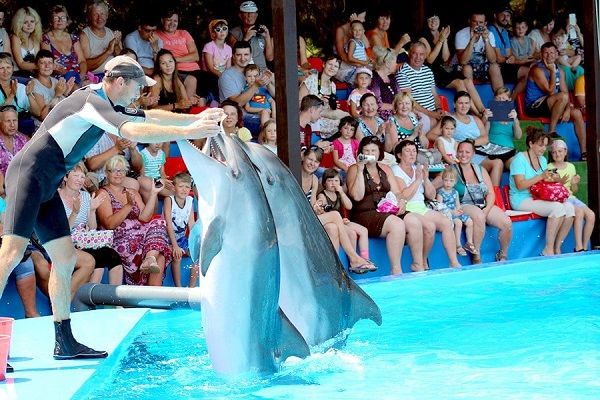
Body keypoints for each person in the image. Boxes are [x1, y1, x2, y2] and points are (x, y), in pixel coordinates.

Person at [0, 55, 222, 360]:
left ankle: (64, 341)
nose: (139, 94)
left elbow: (150, 116)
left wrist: (197, 120)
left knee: (65, 259)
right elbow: (133, 131)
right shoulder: (90, 101)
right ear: (119, 82)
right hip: (28, 175)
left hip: (48, 183)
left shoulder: (109, 103)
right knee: (11, 254)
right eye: (137, 87)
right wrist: (188, 132)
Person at [96, 155, 172, 286]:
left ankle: (149, 259)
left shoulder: (132, 192)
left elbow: (144, 217)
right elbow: (109, 224)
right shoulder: (103, 193)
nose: (118, 174)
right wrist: (128, 206)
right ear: (107, 173)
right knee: (159, 254)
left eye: (122, 170)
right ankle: (152, 285)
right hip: (120, 239)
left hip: (141, 234)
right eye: (114, 170)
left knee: (158, 224)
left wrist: (153, 193)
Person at [301, 145, 376, 273]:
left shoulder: (314, 179)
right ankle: (354, 258)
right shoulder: (295, 174)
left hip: (309, 218)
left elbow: (313, 206)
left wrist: (318, 208)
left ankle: (333, 269)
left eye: (316, 161)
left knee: (333, 228)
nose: (312, 164)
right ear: (303, 157)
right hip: (298, 219)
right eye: (310, 159)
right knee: (335, 215)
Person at [347, 136, 412, 274]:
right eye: (366, 151)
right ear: (361, 152)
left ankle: (419, 265)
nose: (370, 154)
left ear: (379, 152)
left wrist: (402, 202)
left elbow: (397, 193)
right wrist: (360, 170)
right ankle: (396, 270)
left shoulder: (385, 168)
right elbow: (357, 196)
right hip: (364, 214)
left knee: (415, 221)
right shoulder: (354, 169)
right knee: (397, 224)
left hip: (385, 210)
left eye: (373, 151)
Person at [392, 140, 461, 269]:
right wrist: (418, 180)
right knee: (430, 227)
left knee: (446, 222)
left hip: (421, 207)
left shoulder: (416, 169)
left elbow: (431, 195)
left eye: (414, 151)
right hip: (407, 208)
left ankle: (453, 262)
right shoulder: (396, 170)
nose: (412, 154)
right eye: (408, 151)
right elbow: (404, 196)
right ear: (399, 155)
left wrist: (425, 178)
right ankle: (421, 262)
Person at [509, 127, 574, 256]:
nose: (544, 148)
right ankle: (548, 250)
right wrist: (541, 176)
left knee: (569, 208)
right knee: (558, 208)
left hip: (538, 195)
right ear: (531, 144)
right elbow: (520, 186)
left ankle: (557, 247)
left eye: (545, 145)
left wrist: (553, 178)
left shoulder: (543, 160)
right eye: (540, 145)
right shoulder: (519, 160)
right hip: (521, 198)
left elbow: (544, 181)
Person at [58, 163, 123, 286]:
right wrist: (74, 213)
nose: (79, 180)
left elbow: (92, 228)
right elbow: (61, 231)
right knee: (98, 260)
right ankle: (88, 296)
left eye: (82, 177)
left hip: (83, 240)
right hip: (64, 242)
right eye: (76, 175)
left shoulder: (85, 196)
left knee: (114, 257)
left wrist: (92, 210)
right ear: (65, 177)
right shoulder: (55, 198)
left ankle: (114, 297)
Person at [454, 139, 513, 262]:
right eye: (461, 151)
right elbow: (435, 187)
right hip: (464, 204)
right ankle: (476, 256)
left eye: (467, 152)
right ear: (456, 153)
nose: (463, 154)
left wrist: (487, 208)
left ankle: (503, 254)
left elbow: (490, 193)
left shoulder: (480, 169)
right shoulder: (452, 170)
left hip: (482, 203)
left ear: (473, 154)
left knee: (506, 223)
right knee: (479, 216)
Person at [525, 42, 586, 159]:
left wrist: (567, 109)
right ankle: (552, 131)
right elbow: (550, 91)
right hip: (534, 106)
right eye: (546, 53)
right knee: (562, 96)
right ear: (541, 54)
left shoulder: (560, 70)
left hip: (553, 104)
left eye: (552, 52)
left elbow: (565, 91)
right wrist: (552, 72)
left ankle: (584, 152)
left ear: (557, 54)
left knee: (577, 113)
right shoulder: (536, 69)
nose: (549, 55)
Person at [429, 91, 504, 186]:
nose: (464, 106)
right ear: (454, 104)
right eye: (460, 103)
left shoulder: (475, 119)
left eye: (466, 103)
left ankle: (494, 193)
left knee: (498, 163)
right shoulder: (449, 119)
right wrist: (450, 140)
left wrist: (469, 142)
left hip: (478, 153)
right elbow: (430, 135)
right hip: (461, 155)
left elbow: (485, 138)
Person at [419, 12, 485, 115]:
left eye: (436, 19)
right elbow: (430, 60)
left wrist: (444, 39)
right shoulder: (423, 37)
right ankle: (477, 114)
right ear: (426, 22)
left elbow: (445, 58)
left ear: (439, 21)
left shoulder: (441, 34)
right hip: (431, 71)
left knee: (467, 81)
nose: (433, 22)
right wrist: (441, 41)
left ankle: (483, 110)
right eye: (430, 19)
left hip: (443, 68)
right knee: (459, 83)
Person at [548, 139, 595, 252]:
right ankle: (578, 246)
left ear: (565, 152)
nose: (557, 154)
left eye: (560, 151)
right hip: (560, 198)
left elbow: (574, 190)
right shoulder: (550, 167)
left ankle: (585, 247)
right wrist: (560, 182)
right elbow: (552, 188)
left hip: (571, 197)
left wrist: (574, 184)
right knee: (579, 212)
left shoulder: (571, 166)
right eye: (554, 152)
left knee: (591, 215)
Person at [156, 9, 212, 103]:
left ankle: (203, 102)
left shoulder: (184, 33)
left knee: (210, 79)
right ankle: (188, 106)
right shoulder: (156, 35)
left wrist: (174, 59)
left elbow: (195, 56)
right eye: (169, 20)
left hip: (195, 70)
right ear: (162, 20)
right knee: (195, 92)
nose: (172, 23)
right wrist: (175, 61)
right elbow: (158, 57)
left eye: (175, 21)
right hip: (176, 70)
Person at [317, 168, 370, 264]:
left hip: (341, 221)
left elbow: (349, 206)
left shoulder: (338, 194)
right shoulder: (322, 195)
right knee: (352, 233)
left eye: (336, 181)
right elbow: (324, 212)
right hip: (333, 222)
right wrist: (340, 220)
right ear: (324, 183)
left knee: (364, 230)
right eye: (330, 181)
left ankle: (365, 258)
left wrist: (341, 192)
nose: (333, 183)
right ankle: (353, 260)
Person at [219, 40, 274, 132]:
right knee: (272, 126)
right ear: (233, 56)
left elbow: (273, 95)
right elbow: (238, 103)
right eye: (239, 55)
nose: (243, 58)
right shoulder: (227, 76)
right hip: (240, 116)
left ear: (251, 55)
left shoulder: (256, 71)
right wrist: (256, 85)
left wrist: (269, 82)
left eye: (246, 54)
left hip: (265, 112)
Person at [396, 42, 445, 134]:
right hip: (417, 111)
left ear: (425, 55)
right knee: (433, 122)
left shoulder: (428, 71)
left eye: (421, 54)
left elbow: (435, 95)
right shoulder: (403, 72)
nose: (418, 57)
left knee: (450, 121)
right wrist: (430, 113)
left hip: (433, 111)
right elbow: (409, 100)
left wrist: (438, 109)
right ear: (409, 54)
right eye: (415, 53)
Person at [298, 55, 350, 138]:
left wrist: (333, 105)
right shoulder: (311, 79)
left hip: (323, 115)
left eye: (336, 66)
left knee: (347, 119)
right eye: (330, 64)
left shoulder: (333, 86)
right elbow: (299, 103)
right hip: (310, 116)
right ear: (323, 64)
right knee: (342, 125)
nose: (332, 68)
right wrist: (318, 101)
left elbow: (327, 109)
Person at [455, 10, 504, 92]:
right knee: (467, 68)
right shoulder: (461, 34)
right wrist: (472, 40)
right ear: (469, 21)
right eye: (475, 22)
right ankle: (470, 99)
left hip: (483, 67)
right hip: (465, 68)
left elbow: (492, 60)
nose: (478, 25)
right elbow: (463, 61)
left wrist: (486, 40)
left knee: (495, 67)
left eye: (481, 22)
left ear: (485, 23)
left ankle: (501, 98)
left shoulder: (490, 34)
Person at [163, 172, 197, 287]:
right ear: (174, 187)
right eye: (181, 186)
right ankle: (179, 288)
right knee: (177, 256)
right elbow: (168, 224)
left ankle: (191, 288)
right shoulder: (169, 200)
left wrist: (195, 244)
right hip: (166, 239)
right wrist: (175, 246)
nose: (184, 189)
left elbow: (191, 224)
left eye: (187, 187)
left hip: (181, 239)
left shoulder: (190, 201)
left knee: (197, 257)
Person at [41, 5, 88, 86]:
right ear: (51, 22)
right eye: (56, 18)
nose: (60, 20)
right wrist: (69, 76)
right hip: (59, 77)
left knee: (91, 86)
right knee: (74, 86)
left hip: (78, 76)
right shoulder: (46, 39)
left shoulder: (74, 38)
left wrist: (81, 76)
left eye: (63, 18)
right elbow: (48, 63)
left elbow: (82, 61)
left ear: (67, 22)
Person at [436, 167, 476, 257]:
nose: (448, 183)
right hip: (447, 213)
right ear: (442, 180)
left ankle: (469, 243)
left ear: (455, 182)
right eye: (446, 180)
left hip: (455, 212)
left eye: (451, 181)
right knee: (458, 222)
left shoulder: (455, 192)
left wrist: (459, 210)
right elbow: (440, 207)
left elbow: (458, 204)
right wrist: (452, 212)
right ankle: (458, 245)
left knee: (469, 221)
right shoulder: (440, 193)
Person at [31, 49, 76, 123]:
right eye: (42, 63)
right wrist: (57, 95)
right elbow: (43, 117)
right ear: (36, 66)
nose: (47, 66)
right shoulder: (34, 85)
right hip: (47, 124)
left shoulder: (55, 81)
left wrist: (65, 93)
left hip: (62, 119)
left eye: (50, 63)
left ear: (53, 65)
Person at [79, 0, 122, 76]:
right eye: (95, 14)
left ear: (107, 16)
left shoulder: (112, 33)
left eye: (102, 14)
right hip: (96, 77)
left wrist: (116, 46)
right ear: (90, 17)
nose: (99, 18)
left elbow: (123, 60)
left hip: (115, 74)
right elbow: (86, 66)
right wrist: (108, 51)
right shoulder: (84, 35)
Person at [384, 92, 431, 161]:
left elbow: (426, 145)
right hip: (403, 157)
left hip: (419, 154)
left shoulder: (413, 119)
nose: (404, 107)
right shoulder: (392, 122)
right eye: (400, 103)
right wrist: (413, 136)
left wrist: (421, 135)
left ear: (412, 105)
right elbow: (395, 149)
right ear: (396, 106)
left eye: (407, 103)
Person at [229, 1, 274, 72]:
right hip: (245, 73)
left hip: (263, 71)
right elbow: (233, 57)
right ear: (240, 16)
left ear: (256, 15)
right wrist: (245, 38)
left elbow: (270, 58)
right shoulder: (235, 32)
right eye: (246, 12)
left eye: (252, 12)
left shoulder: (261, 31)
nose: (249, 15)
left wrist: (267, 37)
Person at [487, 86, 521, 168]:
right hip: (493, 150)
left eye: (504, 99)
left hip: (508, 151)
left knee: (519, 164)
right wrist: (486, 119)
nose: (501, 102)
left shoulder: (512, 115)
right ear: (495, 100)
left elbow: (518, 136)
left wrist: (515, 120)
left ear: (509, 100)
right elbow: (484, 134)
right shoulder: (489, 113)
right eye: (498, 99)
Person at [9, 6, 42, 77]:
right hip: (18, 75)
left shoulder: (35, 38)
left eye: (32, 21)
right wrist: (43, 65)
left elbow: (37, 60)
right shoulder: (15, 37)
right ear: (19, 24)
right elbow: (21, 64)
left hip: (33, 74)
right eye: (25, 22)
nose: (29, 25)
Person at [369, 48, 398, 121]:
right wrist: (396, 107)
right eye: (395, 62)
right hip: (381, 116)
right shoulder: (374, 78)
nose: (396, 64)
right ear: (387, 64)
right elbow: (376, 104)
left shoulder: (392, 77)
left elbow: (400, 96)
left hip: (396, 111)